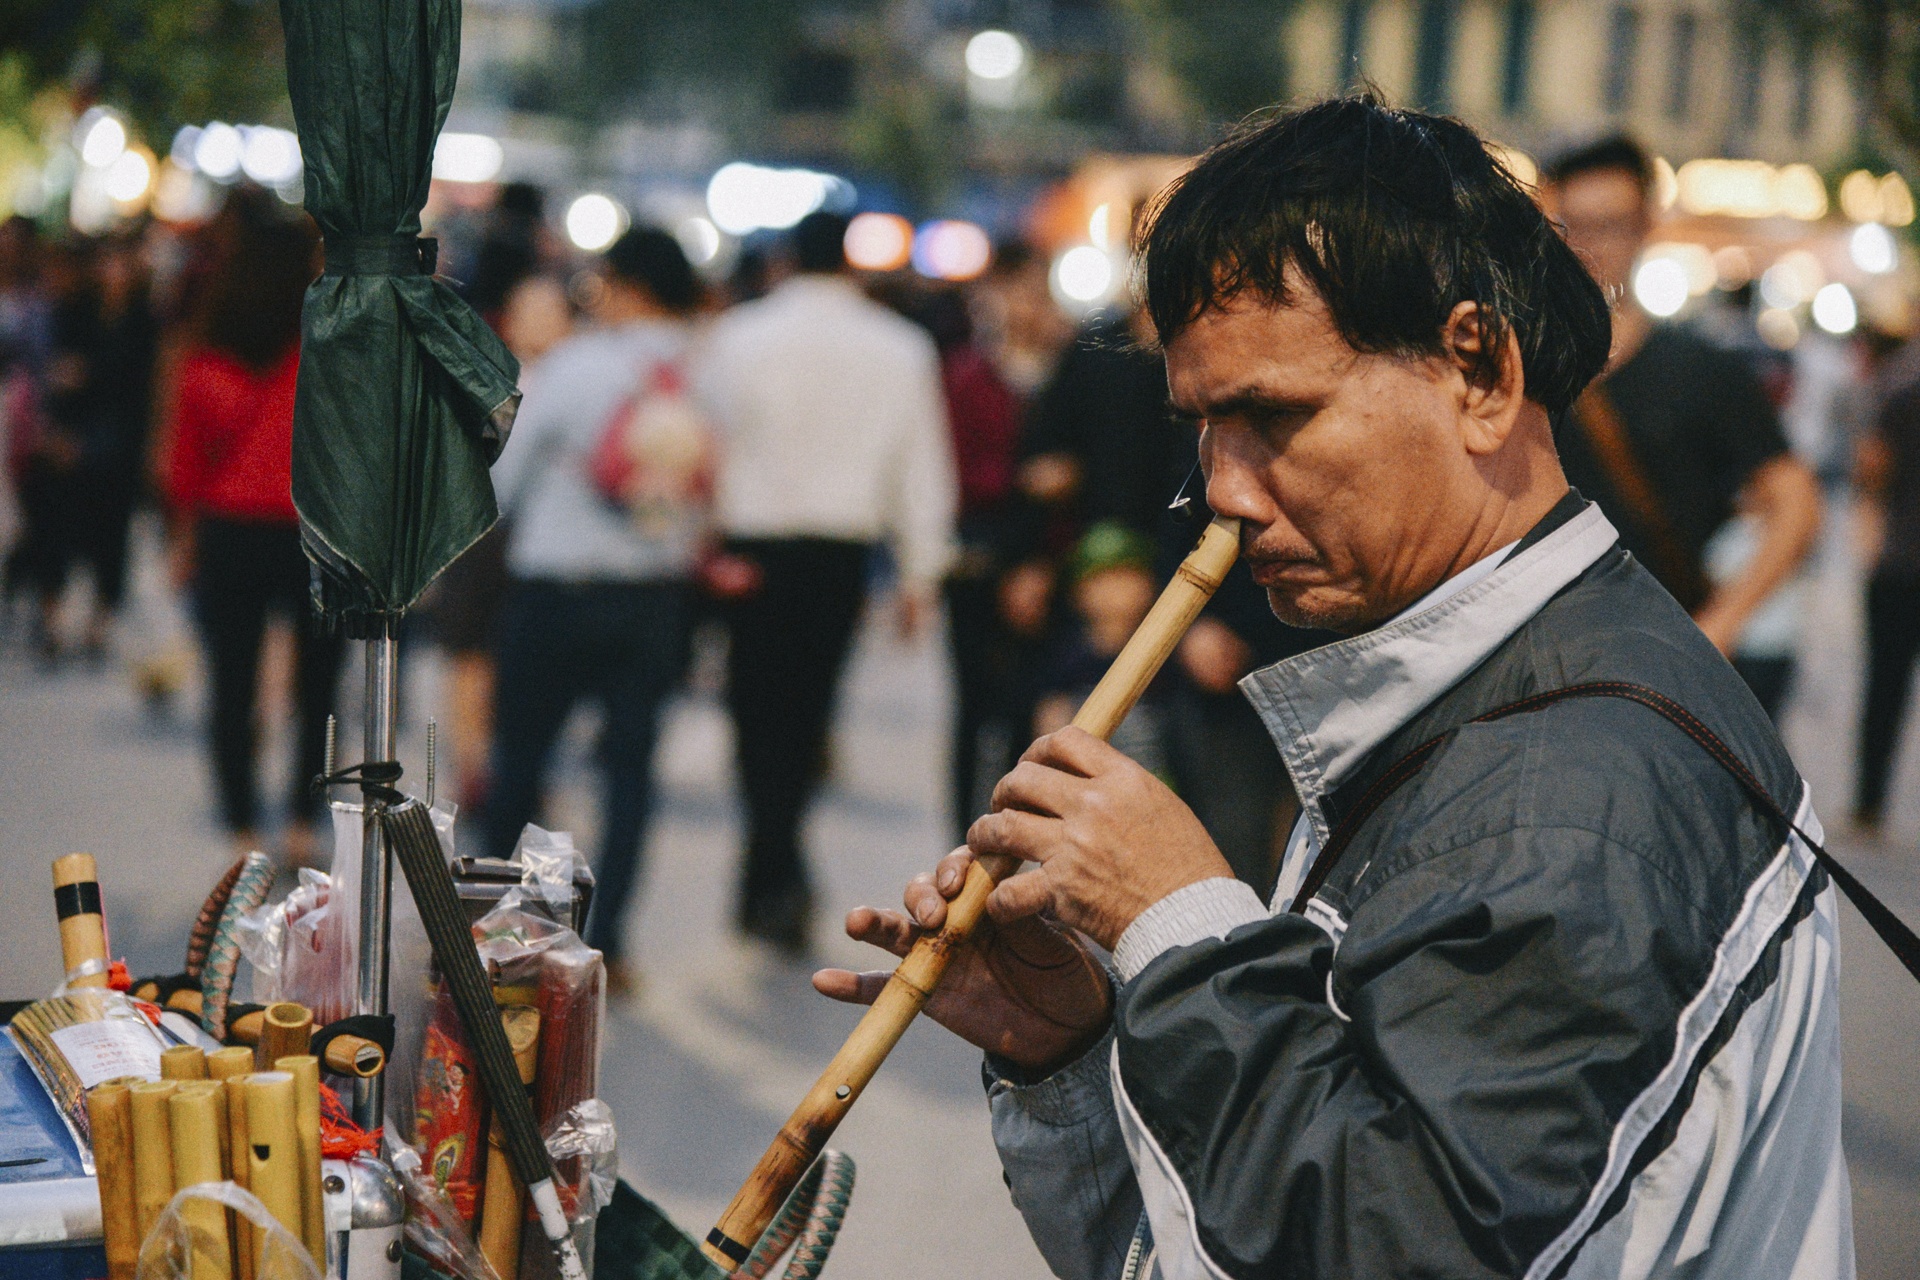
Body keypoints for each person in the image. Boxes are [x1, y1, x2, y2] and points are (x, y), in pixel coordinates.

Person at [816, 97, 1851, 1279]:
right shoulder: (1486, 694)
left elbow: (1401, 1248)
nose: (1228, 491)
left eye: (1273, 417)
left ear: (1478, 370)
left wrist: (1182, 920)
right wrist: (1071, 1053)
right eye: (1205, 427)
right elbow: (1241, 1229)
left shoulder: (1571, 794)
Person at [694, 209, 956, 950]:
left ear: (782, 260)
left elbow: (705, 445)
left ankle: (767, 871)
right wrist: (920, 572)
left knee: (754, 714)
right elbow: (922, 464)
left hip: (751, 553)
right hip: (838, 557)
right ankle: (778, 872)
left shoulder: (738, 336)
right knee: (809, 714)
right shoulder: (900, 347)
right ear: (851, 264)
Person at [484, 228, 706, 991]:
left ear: (625, 284)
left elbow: (504, 480)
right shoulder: (706, 369)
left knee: (522, 755)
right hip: (654, 596)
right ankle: (610, 941)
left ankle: (505, 933)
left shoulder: (576, 365)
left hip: (557, 588)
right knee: (631, 772)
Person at [1541, 135, 1822, 720]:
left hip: (1660, 673)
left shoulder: (1703, 369)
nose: (1592, 245)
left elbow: (1796, 503)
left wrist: (1721, 625)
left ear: (1647, 225)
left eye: (1612, 224)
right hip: (1536, 663)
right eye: (1574, 224)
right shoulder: (1520, 367)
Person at [163, 188, 344, 863]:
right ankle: (301, 818)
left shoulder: (207, 357)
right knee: (318, 684)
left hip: (229, 528)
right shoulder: (323, 349)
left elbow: (185, 464)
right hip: (314, 531)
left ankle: (242, 829)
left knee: (232, 682)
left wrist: (182, 541)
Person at [1853, 360, 1920, 834]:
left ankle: (1869, 803)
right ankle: (1868, 800)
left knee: (1885, 686)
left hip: (1900, 561)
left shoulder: (1900, 388)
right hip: (1899, 561)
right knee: (1884, 685)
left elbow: (1870, 467)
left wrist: (1871, 541)